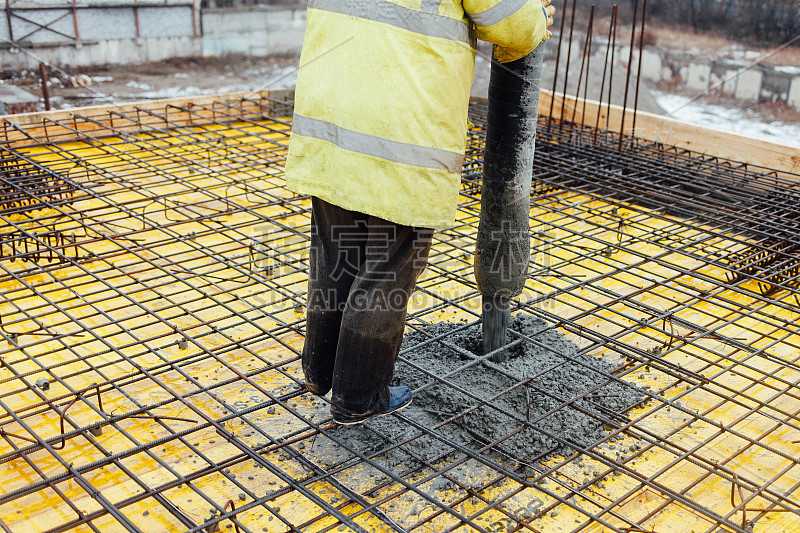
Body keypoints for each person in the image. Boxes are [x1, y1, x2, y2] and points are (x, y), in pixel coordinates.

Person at [284, 0, 556, 425]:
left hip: (330, 114)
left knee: (337, 250)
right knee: (389, 265)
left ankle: (320, 372)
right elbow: (511, 22)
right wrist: (536, 17)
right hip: (399, 128)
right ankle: (359, 398)